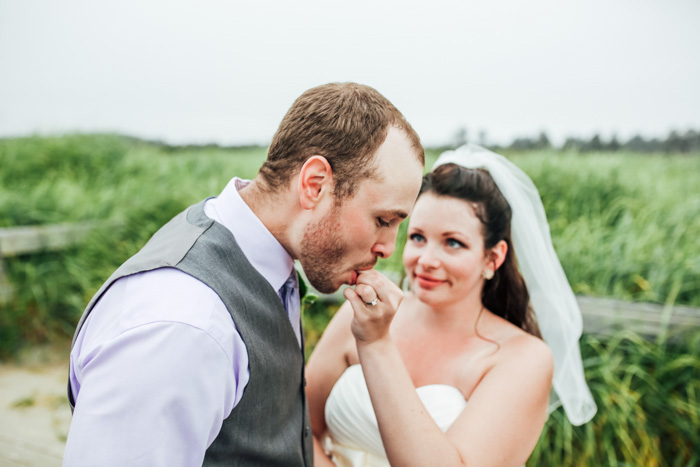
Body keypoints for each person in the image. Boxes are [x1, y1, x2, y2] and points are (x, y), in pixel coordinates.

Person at [63, 82, 425, 466]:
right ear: (315, 185)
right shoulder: (184, 327)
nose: (389, 247)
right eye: (384, 220)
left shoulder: (268, 259)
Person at [306, 143, 597, 467]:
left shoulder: (524, 359)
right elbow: (299, 425)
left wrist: (375, 343)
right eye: (417, 237)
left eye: (453, 243)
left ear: (493, 256)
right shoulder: (357, 314)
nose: (427, 260)